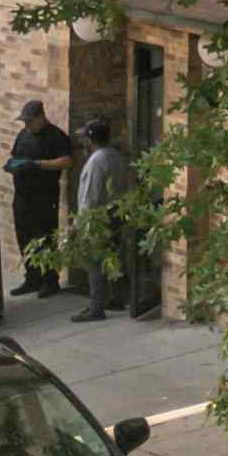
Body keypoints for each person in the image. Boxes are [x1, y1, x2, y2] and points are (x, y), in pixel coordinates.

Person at [2, 98, 73, 298]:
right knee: (23, 236)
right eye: (25, 122)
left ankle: (50, 280)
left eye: (30, 121)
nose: (27, 125)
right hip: (23, 196)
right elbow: (15, 154)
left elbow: (67, 161)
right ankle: (32, 278)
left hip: (44, 197)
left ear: (41, 117)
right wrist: (14, 165)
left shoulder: (56, 136)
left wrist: (38, 164)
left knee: (44, 238)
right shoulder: (23, 134)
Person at [68, 117, 127, 323]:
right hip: (116, 215)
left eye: (85, 138)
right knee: (112, 258)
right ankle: (115, 298)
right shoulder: (115, 156)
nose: (83, 141)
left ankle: (96, 307)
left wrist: (77, 224)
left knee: (94, 262)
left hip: (97, 219)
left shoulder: (95, 162)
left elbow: (90, 198)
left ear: (91, 140)